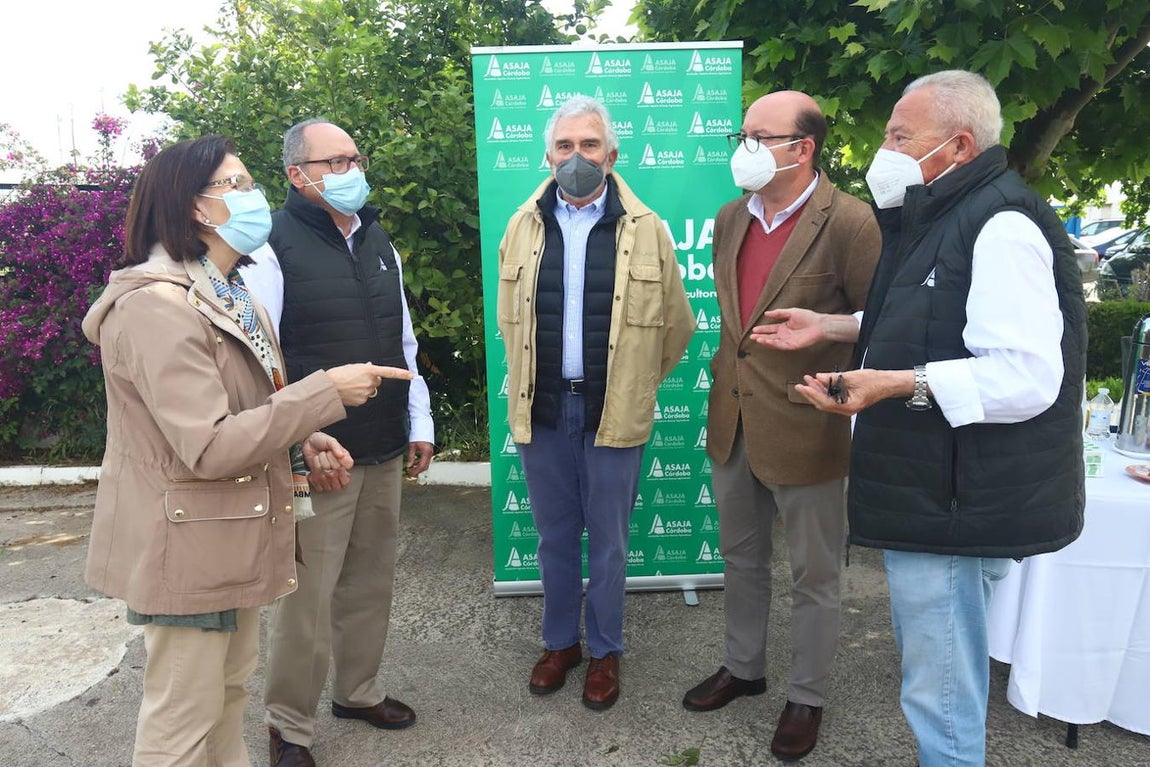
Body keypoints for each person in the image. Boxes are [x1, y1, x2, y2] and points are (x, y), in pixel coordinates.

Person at [752, 70, 1086, 767]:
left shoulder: (1000, 225)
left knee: (939, 689)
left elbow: (1028, 375)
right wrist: (834, 325)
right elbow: (934, 323)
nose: (885, 147)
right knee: (946, 669)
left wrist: (892, 384)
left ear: (958, 146)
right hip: (941, 492)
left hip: (953, 501)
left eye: (901, 135)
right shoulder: (937, 217)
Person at [80, 134, 411, 767]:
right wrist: (322, 396)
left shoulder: (227, 292)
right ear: (196, 208)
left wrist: (304, 437)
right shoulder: (157, 306)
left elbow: (243, 413)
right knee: (181, 725)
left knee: (227, 699)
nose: (254, 195)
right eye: (236, 185)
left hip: (227, 539)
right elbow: (206, 445)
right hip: (187, 548)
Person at [681, 91, 880, 761]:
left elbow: (879, 323)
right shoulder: (730, 217)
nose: (746, 147)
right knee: (741, 560)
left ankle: (807, 695)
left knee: (814, 575)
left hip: (808, 423)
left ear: (804, 148)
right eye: (743, 134)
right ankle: (744, 667)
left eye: (761, 136)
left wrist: (828, 329)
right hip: (733, 418)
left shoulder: (851, 222)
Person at [245, 118, 435, 767]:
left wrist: (421, 420)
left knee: (370, 580)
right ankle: (288, 724)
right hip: (321, 449)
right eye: (334, 161)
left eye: (355, 156)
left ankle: (357, 691)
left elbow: (402, 339)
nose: (350, 169)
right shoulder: (270, 246)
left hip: (383, 440)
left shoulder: (378, 237)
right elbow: (260, 360)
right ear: (297, 174)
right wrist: (303, 437)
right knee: (308, 597)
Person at [498, 95, 694, 711]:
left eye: (589, 146)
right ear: (547, 155)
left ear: (611, 156)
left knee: (608, 543)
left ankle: (605, 651)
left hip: (613, 412)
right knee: (555, 538)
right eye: (565, 146)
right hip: (546, 410)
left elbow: (676, 328)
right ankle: (561, 644)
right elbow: (511, 323)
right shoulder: (522, 225)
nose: (576, 157)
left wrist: (633, 381)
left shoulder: (648, 229)